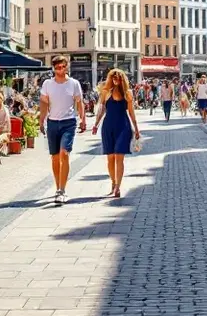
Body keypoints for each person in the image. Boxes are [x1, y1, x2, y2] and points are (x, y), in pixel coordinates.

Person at [39, 55, 86, 205]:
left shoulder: (73, 84)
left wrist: (83, 119)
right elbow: (44, 104)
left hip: (69, 123)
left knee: (64, 154)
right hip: (53, 123)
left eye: (62, 67)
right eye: (57, 68)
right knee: (55, 157)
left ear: (67, 67)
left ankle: (61, 190)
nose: (60, 70)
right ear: (53, 68)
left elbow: (79, 102)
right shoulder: (47, 84)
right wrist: (41, 120)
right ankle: (58, 185)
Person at [92, 68, 141, 199]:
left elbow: (131, 112)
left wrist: (136, 128)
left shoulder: (128, 94)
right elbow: (101, 109)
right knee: (110, 158)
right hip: (108, 127)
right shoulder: (106, 92)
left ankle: (118, 187)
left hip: (123, 127)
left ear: (122, 79)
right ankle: (113, 182)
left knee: (119, 157)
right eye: (113, 78)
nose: (116, 80)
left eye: (118, 78)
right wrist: (96, 124)